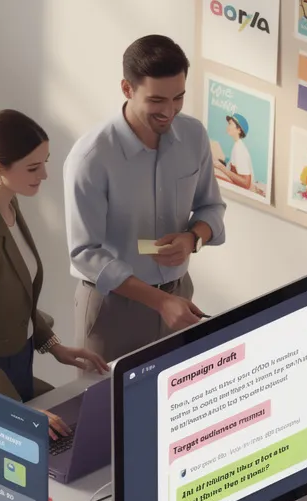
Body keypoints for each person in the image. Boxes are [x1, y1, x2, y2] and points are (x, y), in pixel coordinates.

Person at [0, 109, 108, 438]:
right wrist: (17, 412)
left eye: (44, 162)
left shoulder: (8, 205)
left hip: (17, 359)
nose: (44, 174)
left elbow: (18, 298)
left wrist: (56, 346)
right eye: (33, 167)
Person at [65, 35, 227, 362]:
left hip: (179, 297)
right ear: (127, 89)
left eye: (178, 97)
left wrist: (193, 238)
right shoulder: (92, 158)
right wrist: (158, 301)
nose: (169, 111)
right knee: (104, 411)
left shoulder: (194, 136)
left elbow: (211, 207)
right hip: (113, 310)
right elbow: (84, 252)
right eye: (157, 101)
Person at [213, 113, 255, 191]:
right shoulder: (237, 145)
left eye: (230, 124)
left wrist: (221, 167)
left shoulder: (240, 149)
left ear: (239, 130)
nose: (227, 126)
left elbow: (246, 183)